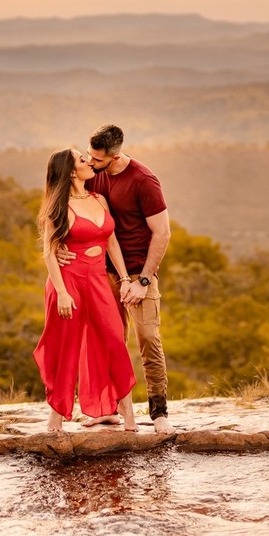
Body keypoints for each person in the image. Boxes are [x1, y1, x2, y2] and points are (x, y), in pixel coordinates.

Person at [76, 124, 174, 434]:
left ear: (115, 156)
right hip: (103, 272)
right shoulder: (94, 174)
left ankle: (159, 413)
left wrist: (143, 281)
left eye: (97, 158)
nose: (90, 162)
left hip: (138, 273)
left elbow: (163, 233)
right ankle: (109, 410)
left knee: (148, 339)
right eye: (88, 155)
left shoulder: (143, 181)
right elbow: (74, 207)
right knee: (107, 339)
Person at [32, 148, 138, 433]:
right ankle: (56, 418)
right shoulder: (58, 206)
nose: (88, 162)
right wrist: (63, 292)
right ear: (69, 171)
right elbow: (49, 253)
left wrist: (126, 278)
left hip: (98, 280)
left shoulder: (98, 198)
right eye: (82, 159)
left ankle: (128, 414)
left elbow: (112, 242)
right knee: (65, 348)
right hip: (68, 282)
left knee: (115, 341)